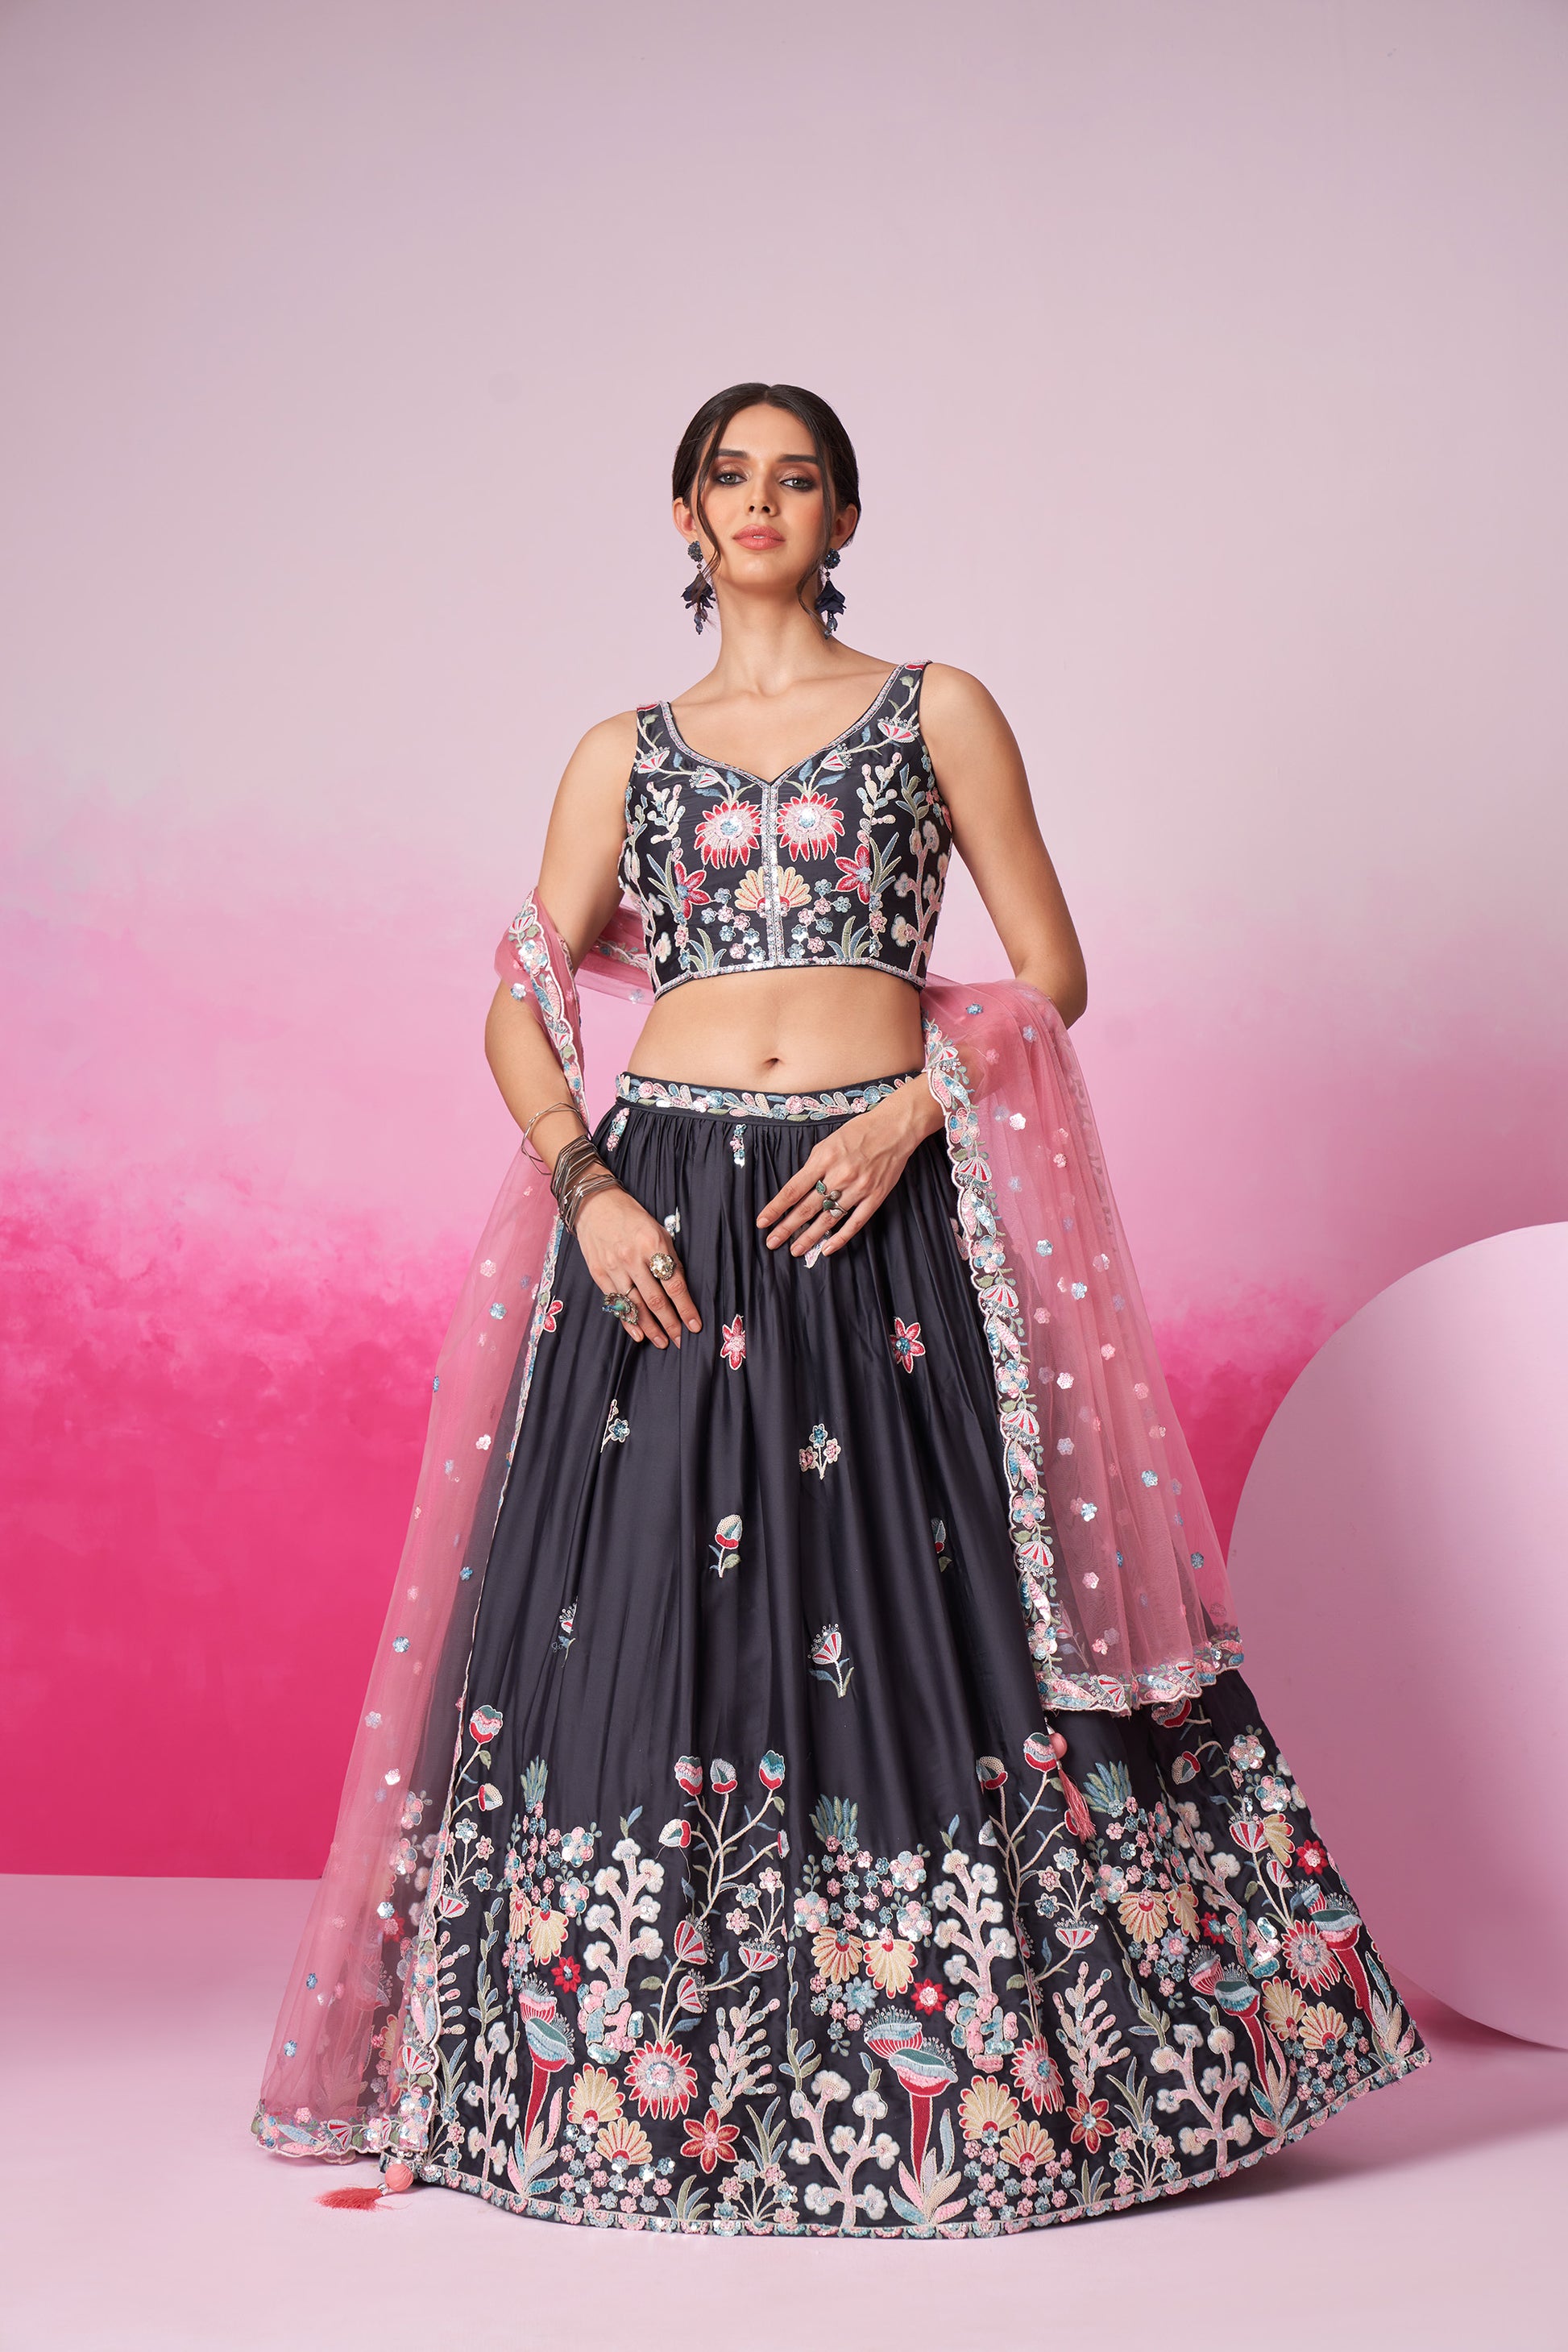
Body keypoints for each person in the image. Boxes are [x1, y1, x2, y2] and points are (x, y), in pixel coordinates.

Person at [252, 381, 1427, 2234]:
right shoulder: (620, 749)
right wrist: (588, 1184)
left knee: (921, 1612)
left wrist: (907, 1114)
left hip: (871, 1198)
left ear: (843, 516)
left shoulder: (934, 706)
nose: (761, 500)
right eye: (729, 474)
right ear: (682, 513)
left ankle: (1005, 2078)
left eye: (797, 476)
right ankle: (629, 2078)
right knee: (646, 1620)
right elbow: (520, 993)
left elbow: (1047, 970)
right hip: (665, 1209)